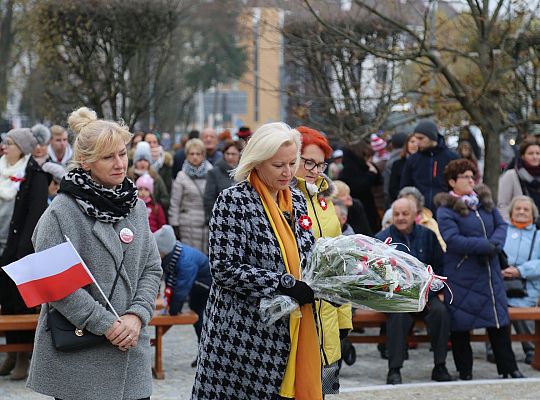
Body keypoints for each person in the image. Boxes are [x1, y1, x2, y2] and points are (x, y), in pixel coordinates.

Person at [28, 106, 162, 400]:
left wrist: (136, 317)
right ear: (86, 162)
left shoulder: (135, 206)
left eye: (122, 153)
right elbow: (56, 286)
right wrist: (108, 325)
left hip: (131, 353)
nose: (120, 163)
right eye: (108, 157)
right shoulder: (61, 213)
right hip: (81, 361)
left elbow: (152, 269)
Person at [192, 122, 321, 400]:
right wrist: (285, 283)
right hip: (243, 339)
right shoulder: (233, 201)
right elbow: (224, 268)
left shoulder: (297, 200)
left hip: (293, 331)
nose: (288, 172)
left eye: (292, 163)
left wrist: (327, 282)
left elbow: (308, 254)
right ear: (257, 163)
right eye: (278, 165)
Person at [435, 159, 523, 380]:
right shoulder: (446, 209)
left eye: (472, 176)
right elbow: (452, 240)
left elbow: (501, 225)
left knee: (498, 320)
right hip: (463, 272)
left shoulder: (484, 203)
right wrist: (485, 246)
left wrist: (495, 244)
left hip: (489, 271)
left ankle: (509, 368)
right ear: (452, 181)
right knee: (461, 324)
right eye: (465, 176)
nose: (470, 180)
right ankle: (465, 371)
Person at [294, 125, 352, 396]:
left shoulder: (325, 203)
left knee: (324, 390)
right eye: (309, 163)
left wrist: (344, 319)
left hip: (328, 316)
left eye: (320, 164)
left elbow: (339, 262)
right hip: (297, 314)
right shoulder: (282, 201)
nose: (315, 171)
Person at [375, 198, 452, 384]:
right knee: (398, 318)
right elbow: (375, 274)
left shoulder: (428, 235)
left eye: (405, 214)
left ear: (415, 216)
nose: (400, 218)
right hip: (396, 295)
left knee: (440, 312)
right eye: (396, 214)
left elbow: (439, 265)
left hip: (425, 293)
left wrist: (436, 291)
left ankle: (440, 366)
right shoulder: (382, 238)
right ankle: (394, 369)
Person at [0, 128, 49, 380]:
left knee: (23, 303)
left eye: (9, 143)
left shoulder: (34, 175)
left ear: (21, 147)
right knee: (6, 303)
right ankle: (10, 353)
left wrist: (22, 253)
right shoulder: (1, 170)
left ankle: (22, 356)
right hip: (2, 247)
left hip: (20, 250)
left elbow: (35, 217)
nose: (5, 146)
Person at [153, 225, 211, 367]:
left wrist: (173, 310)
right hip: (196, 285)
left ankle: (205, 355)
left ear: (164, 250)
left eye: (157, 251)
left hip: (204, 287)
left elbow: (181, 290)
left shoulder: (185, 262)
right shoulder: (174, 256)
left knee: (200, 318)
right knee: (198, 317)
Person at [502, 196, 540, 365]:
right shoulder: (502, 231)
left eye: (526, 209)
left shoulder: (538, 236)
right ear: (511, 212)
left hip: (527, 287)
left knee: (521, 309)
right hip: (501, 285)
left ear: (533, 214)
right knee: (495, 309)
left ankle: (531, 349)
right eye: (518, 209)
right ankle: (496, 350)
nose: (522, 212)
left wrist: (520, 271)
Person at [400, 120, 458, 212]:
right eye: (416, 138)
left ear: (432, 137)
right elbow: (405, 187)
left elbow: (459, 184)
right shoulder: (413, 160)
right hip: (420, 212)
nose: (417, 142)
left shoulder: (452, 157)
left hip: (447, 210)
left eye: (421, 138)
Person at [169, 138, 213, 253]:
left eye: (198, 154)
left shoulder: (211, 173)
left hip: (207, 222)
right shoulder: (181, 176)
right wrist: (175, 224)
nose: (195, 157)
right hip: (187, 224)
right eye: (192, 153)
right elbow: (175, 203)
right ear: (187, 155)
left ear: (203, 155)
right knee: (190, 257)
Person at [339, 141, 381, 233]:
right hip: (355, 213)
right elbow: (359, 186)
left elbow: (377, 182)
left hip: (366, 208)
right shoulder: (349, 170)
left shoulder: (360, 168)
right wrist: (371, 174)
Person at [498, 138, 540, 219]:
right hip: (517, 227)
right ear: (523, 156)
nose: (535, 157)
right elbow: (502, 205)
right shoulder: (511, 175)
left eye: (538, 153)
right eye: (530, 153)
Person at [398, 186, 446, 252]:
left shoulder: (430, 222)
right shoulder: (395, 220)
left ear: (418, 205)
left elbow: (441, 247)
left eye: (411, 203)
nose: (407, 207)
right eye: (404, 203)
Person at [203, 140, 242, 222]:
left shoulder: (245, 173)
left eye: (233, 154)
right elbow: (209, 199)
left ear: (239, 155)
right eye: (227, 154)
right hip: (221, 219)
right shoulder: (214, 172)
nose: (230, 157)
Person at [127, 141, 170, 213]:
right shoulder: (129, 177)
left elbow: (165, 199)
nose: (142, 163)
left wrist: (154, 204)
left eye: (145, 160)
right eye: (140, 160)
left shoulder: (155, 177)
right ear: (135, 162)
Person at [388, 134, 418, 204]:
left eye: (416, 142)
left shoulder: (423, 163)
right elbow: (392, 188)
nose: (414, 145)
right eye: (412, 142)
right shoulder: (397, 164)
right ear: (407, 144)